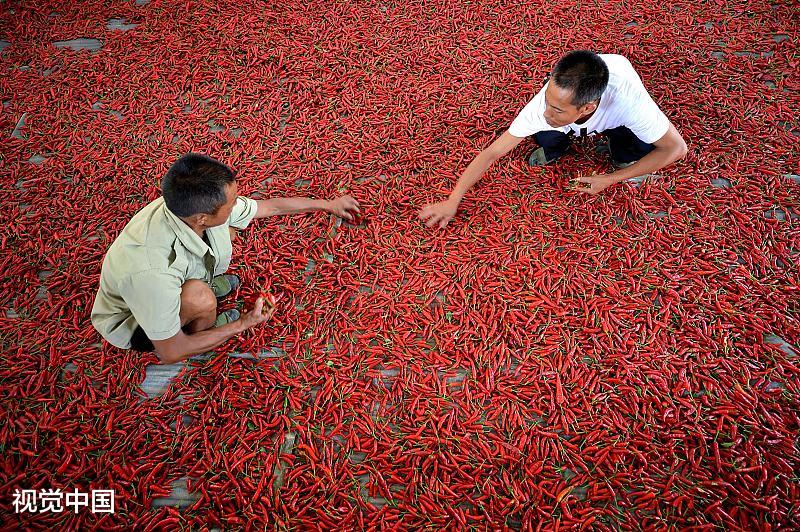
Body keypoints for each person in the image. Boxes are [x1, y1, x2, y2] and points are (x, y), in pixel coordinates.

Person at [91, 153, 360, 364]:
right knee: (201, 298)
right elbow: (171, 351)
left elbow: (270, 207)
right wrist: (242, 324)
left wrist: (328, 205)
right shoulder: (150, 270)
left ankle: (204, 287)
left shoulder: (190, 206)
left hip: (168, 279)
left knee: (228, 230)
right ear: (201, 218)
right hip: (136, 322)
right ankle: (203, 329)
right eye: (230, 205)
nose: (236, 205)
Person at [419, 50, 688, 228]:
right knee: (545, 135)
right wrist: (454, 198)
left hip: (617, 119)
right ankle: (561, 142)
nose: (546, 113)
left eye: (557, 109)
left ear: (587, 108)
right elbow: (492, 153)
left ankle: (617, 147)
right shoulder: (542, 108)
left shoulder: (630, 104)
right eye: (547, 101)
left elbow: (676, 149)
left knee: (634, 151)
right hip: (579, 109)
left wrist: (610, 179)